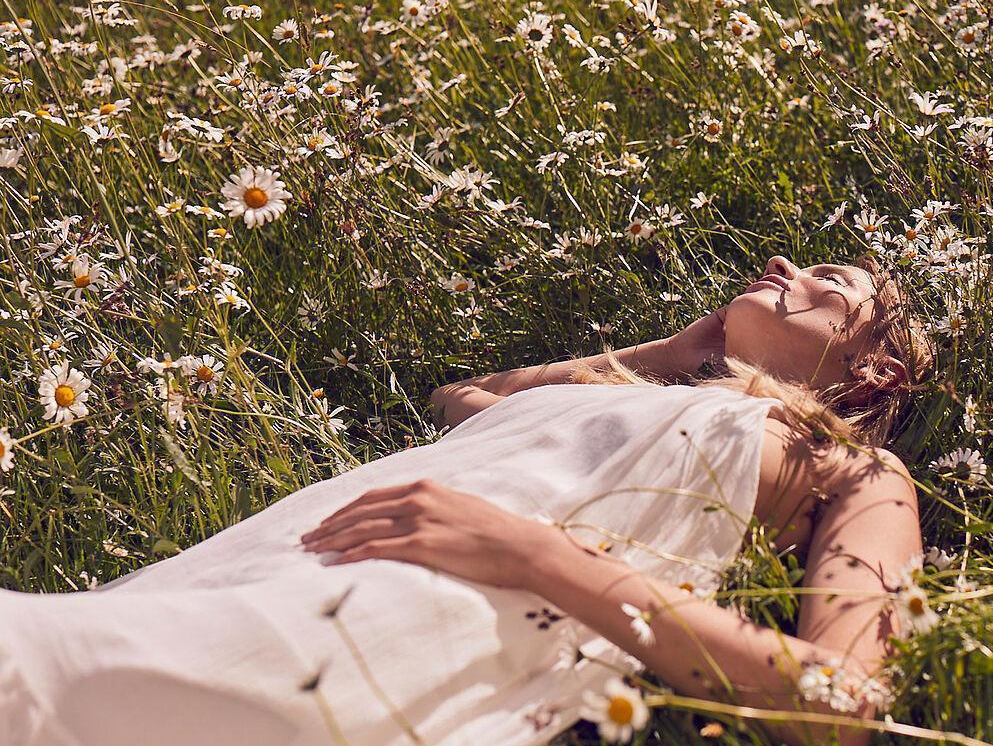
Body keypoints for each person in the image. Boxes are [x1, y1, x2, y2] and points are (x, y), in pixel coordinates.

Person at [0, 254, 935, 746]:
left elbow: (841, 702)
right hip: (268, 563)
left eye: (832, 282)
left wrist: (535, 554)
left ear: (878, 365)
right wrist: (674, 355)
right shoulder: (650, 397)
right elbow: (469, 398)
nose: (787, 269)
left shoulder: (848, 467)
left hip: (403, 614)